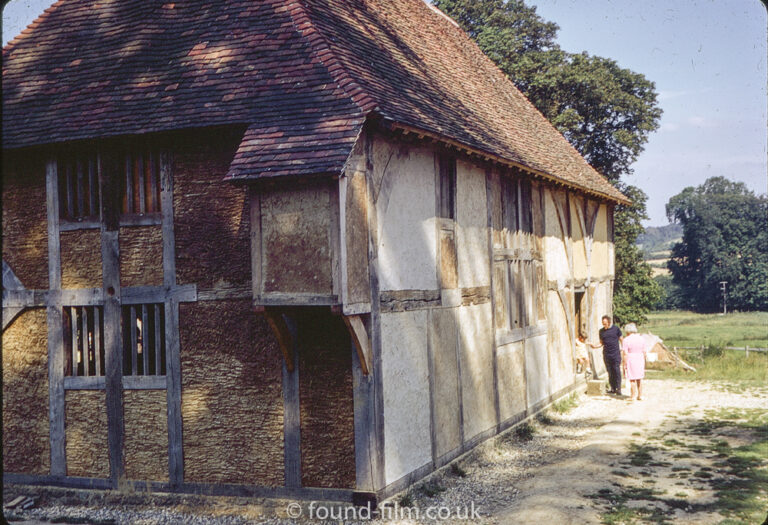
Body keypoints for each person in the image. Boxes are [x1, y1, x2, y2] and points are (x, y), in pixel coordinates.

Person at [591, 315, 623, 395]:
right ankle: (612, 388)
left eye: (605, 323)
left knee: (616, 371)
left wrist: (623, 349)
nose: (604, 325)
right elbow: (601, 343)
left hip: (615, 354)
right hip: (606, 354)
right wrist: (594, 346)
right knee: (610, 371)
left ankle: (618, 388)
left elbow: (621, 339)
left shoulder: (616, 329)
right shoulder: (601, 331)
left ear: (609, 322)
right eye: (603, 323)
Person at [622, 323, 647, 401]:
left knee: (632, 378)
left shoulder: (626, 340)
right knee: (639, 378)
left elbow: (625, 353)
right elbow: (644, 351)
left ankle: (632, 396)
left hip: (631, 358)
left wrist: (624, 364)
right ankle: (640, 395)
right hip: (640, 358)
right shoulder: (641, 338)